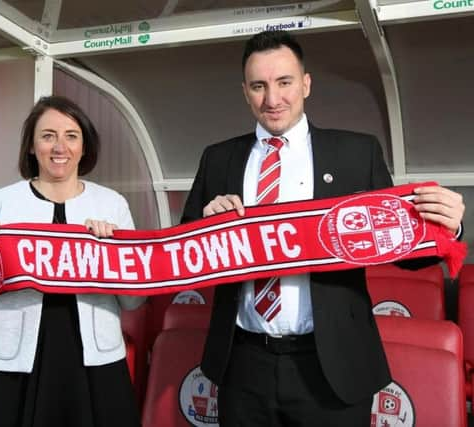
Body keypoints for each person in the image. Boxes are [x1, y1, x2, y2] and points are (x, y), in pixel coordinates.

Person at [181, 30, 465, 427]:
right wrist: (207, 229)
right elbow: (181, 255)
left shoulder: (356, 153)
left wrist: (447, 230)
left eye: (284, 82)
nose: (272, 99)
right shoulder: (218, 158)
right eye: (259, 86)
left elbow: (404, 252)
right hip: (242, 364)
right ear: (245, 91)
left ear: (306, 84)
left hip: (332, 365)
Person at [0, 95, 144, 427]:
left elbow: (133, 301)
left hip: (94, 361)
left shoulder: (112, 205)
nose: (60, 146)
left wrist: (115, 252)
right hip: (15, 363)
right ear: (31, 146)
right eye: (48, 136)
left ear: (85, 147)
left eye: (71, 135)